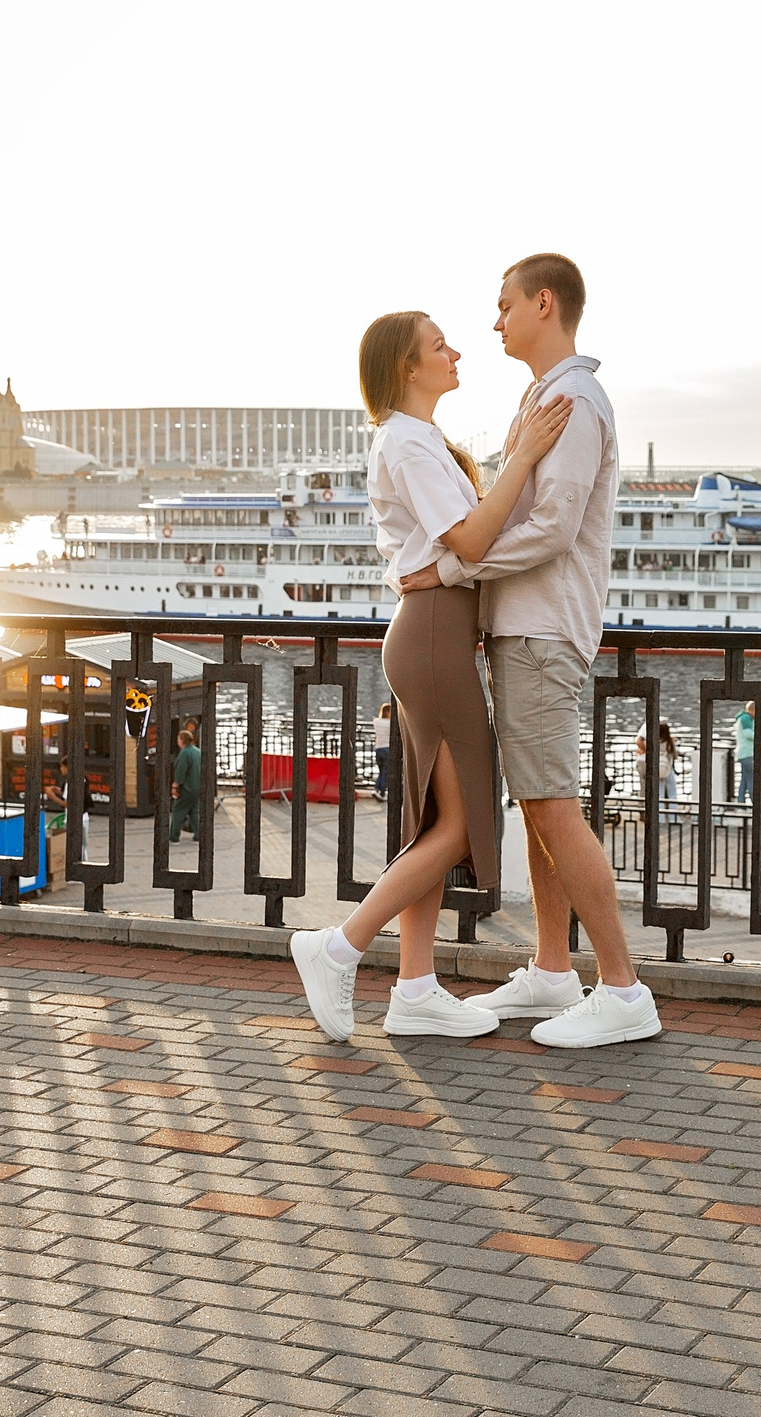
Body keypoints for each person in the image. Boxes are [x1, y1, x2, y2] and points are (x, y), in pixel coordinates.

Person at [289, 308, 572, 1042]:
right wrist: (528, 455)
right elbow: (472, 540)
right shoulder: (410, 442)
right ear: (406, 367)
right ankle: (340, 945)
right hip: (437, 635)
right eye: (438, 345)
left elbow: (455, 547)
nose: (455, 351)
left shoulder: (416, 440)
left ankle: (414, 986)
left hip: (433, 632)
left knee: (432, 821)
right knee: (461, 823)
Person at [415, 254, 660, 1049]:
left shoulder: (573, 399)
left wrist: (462, 564)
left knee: (553, 802)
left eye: (504, 304)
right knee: (539, 804)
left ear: (543, 304)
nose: (494, 321)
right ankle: (554, 967)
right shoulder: (545, 396)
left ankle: (622, 988)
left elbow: (554, 526)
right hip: (527, 628)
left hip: (546, 629)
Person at [170, 722, 202, 841]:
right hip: (197, 787)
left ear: (182, 739)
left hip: (186, 788)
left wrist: (175, 785)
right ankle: (199, 834)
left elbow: (181, 771)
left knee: (178, 810)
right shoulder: (198, 752)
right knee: (194, 811)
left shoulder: (184, 753)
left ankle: (174, 836)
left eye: (178, 738)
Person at [732, 704, 758, 803]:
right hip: (748, 753)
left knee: (744, 779)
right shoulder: (746, 718)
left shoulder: (742, 718)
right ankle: (755, 803)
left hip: (743, 753)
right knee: (752, 779)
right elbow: (748, 734)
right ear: (753, 710)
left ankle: (741, 802)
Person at [371, 703, 394, 801]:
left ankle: (377, 789)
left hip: (378, 749)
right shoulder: (391, 724)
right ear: (388, 712)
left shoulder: (376, 721)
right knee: (385, 772)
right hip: (387, 749)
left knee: (381, 772)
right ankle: (381, 792)